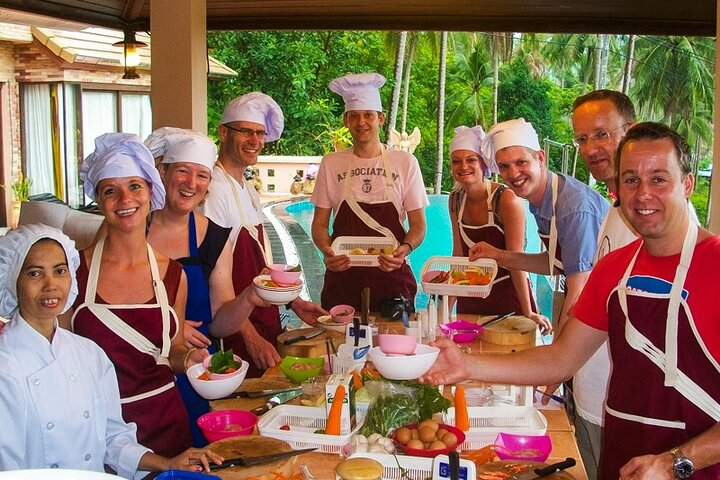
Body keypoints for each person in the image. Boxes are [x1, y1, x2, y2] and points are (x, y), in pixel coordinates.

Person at [423, 122, 720, 480]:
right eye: (630, 180)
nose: (642, 194)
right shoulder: (614, 268)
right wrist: (467, 365)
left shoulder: (714, 265)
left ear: (687, 184)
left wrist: (674, 463)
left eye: (659, 179)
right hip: (624, 461)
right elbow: (561, 358)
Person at [0, 224, 222, 476]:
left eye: (60, 271)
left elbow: (113, 439)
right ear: (12, 280)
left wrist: (167, 464)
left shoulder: (88, 354)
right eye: (34, 274)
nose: (51, 285)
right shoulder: (6, 367)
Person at [63, 132, 202, 458]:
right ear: (98, 200)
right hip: (97, 432)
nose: (125, 199)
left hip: (168, 426)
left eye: (134, 186)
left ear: (151, 192)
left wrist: (191, 361)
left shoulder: (174, 275)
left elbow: (174, 350)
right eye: (111, 190)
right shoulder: (72, 273)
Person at [144, 127, 270, 446]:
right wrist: (169, 327)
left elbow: (220, 322)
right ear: (163, 172)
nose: (191, 184)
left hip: (200, 377)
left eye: (201, 176)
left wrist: (251, 297)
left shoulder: (215, 238)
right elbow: (103, 306)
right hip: (142, 373)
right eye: (183, 171)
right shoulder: (133, 228)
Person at [202, 92, 326, 377]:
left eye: (259, 133)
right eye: (246, 131)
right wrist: (249, 335)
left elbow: (260, 263)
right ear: (223, 133)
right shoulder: (214, 191)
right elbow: (212, 281)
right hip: (232, 334)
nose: (255, 140)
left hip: (263, 321)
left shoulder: (247, 188)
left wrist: (293, 302)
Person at [311, 72, 429, 311]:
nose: (361, 122)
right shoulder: (331, 163)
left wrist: (403, 250)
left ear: (381, 119)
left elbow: (419, 225)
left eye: (368, 115)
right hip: (343, 278)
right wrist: (328, 252)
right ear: (345, 121)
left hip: (392, 277)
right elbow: (319, 224)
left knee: (394, 346)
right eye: (353, 116)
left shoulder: (405, 162)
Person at [447, 125, 550, 333]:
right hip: (471, 298)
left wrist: (528, 311)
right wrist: (445, 311)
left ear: (484, 163)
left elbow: (515, 260)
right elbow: (459, 256)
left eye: (471, 160)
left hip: (508, 298)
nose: (463, 166)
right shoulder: (455, 200)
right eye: (456, 161)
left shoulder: (505, 200)